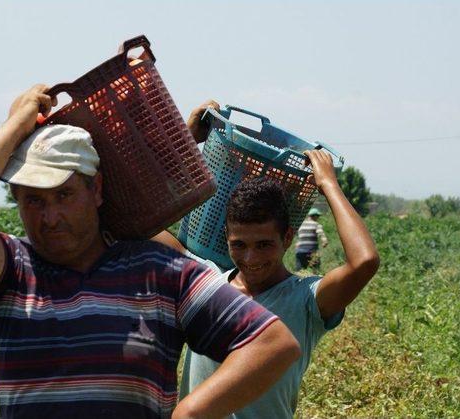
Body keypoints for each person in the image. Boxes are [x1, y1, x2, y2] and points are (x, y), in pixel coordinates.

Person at [0, 84, 301, 418]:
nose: (50, 216)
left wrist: (192, 412)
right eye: (33, 200)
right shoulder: (10, 269)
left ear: (97, 190)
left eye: (64, 194)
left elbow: (273, 344)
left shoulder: (162, 272)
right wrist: (16, 126)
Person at [155, 104, 380, 418]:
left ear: (287, 238)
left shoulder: (306, 301)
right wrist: (187, 140)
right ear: (225, 236)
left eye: (264, 245)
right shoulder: (205, 281)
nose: (251, 258)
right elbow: (127, 223)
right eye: (239, 245)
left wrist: (328, 184)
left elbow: (364, 261)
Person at [295, 207, 329, 271]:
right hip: (312, 251)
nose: (318, 218)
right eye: (318, 216)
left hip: (300, 251)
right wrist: (325, 241)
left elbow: (298, 237)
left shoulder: (301, 224)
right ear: (314, 216)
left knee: (300, 271)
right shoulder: (316, 224)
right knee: (315, 271)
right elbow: (321, 234)